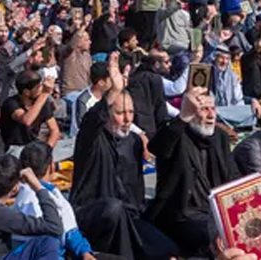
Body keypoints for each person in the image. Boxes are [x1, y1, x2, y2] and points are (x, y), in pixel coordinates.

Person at [69, 89, 179, 259]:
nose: (127, 120)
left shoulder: (134, 142)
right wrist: (113, 90)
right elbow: (90, 123)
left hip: (130, 216)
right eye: (120, 113)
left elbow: (136, 193)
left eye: (130, 112)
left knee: (168, 251)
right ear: (107, 114)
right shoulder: (93, 141)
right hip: (97, 216)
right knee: (114, 209)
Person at [145, 87, 240, 257]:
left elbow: (232, 176)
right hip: (181, 213)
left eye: (213, 109)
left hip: (214, 210)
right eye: (204, 109)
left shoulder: (220, 137)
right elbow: (157, 147)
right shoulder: (177, 135)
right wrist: (183, 117)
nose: (211, 115)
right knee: (213, 235)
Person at [15, 141, 97, 260]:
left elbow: (70, 231)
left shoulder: (17, 196)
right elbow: (67, 234)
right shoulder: (43, 196)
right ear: (51, 167)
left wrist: (85, 252)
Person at [0, 70, 61, 152]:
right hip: (15, 148)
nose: (41, 89)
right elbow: (27, 120)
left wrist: (47, 150)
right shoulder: (10, 103)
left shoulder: (41, 102)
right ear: (26, 92)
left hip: (34, 146)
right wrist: (45, 94)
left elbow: (54, 130)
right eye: (38, 87)